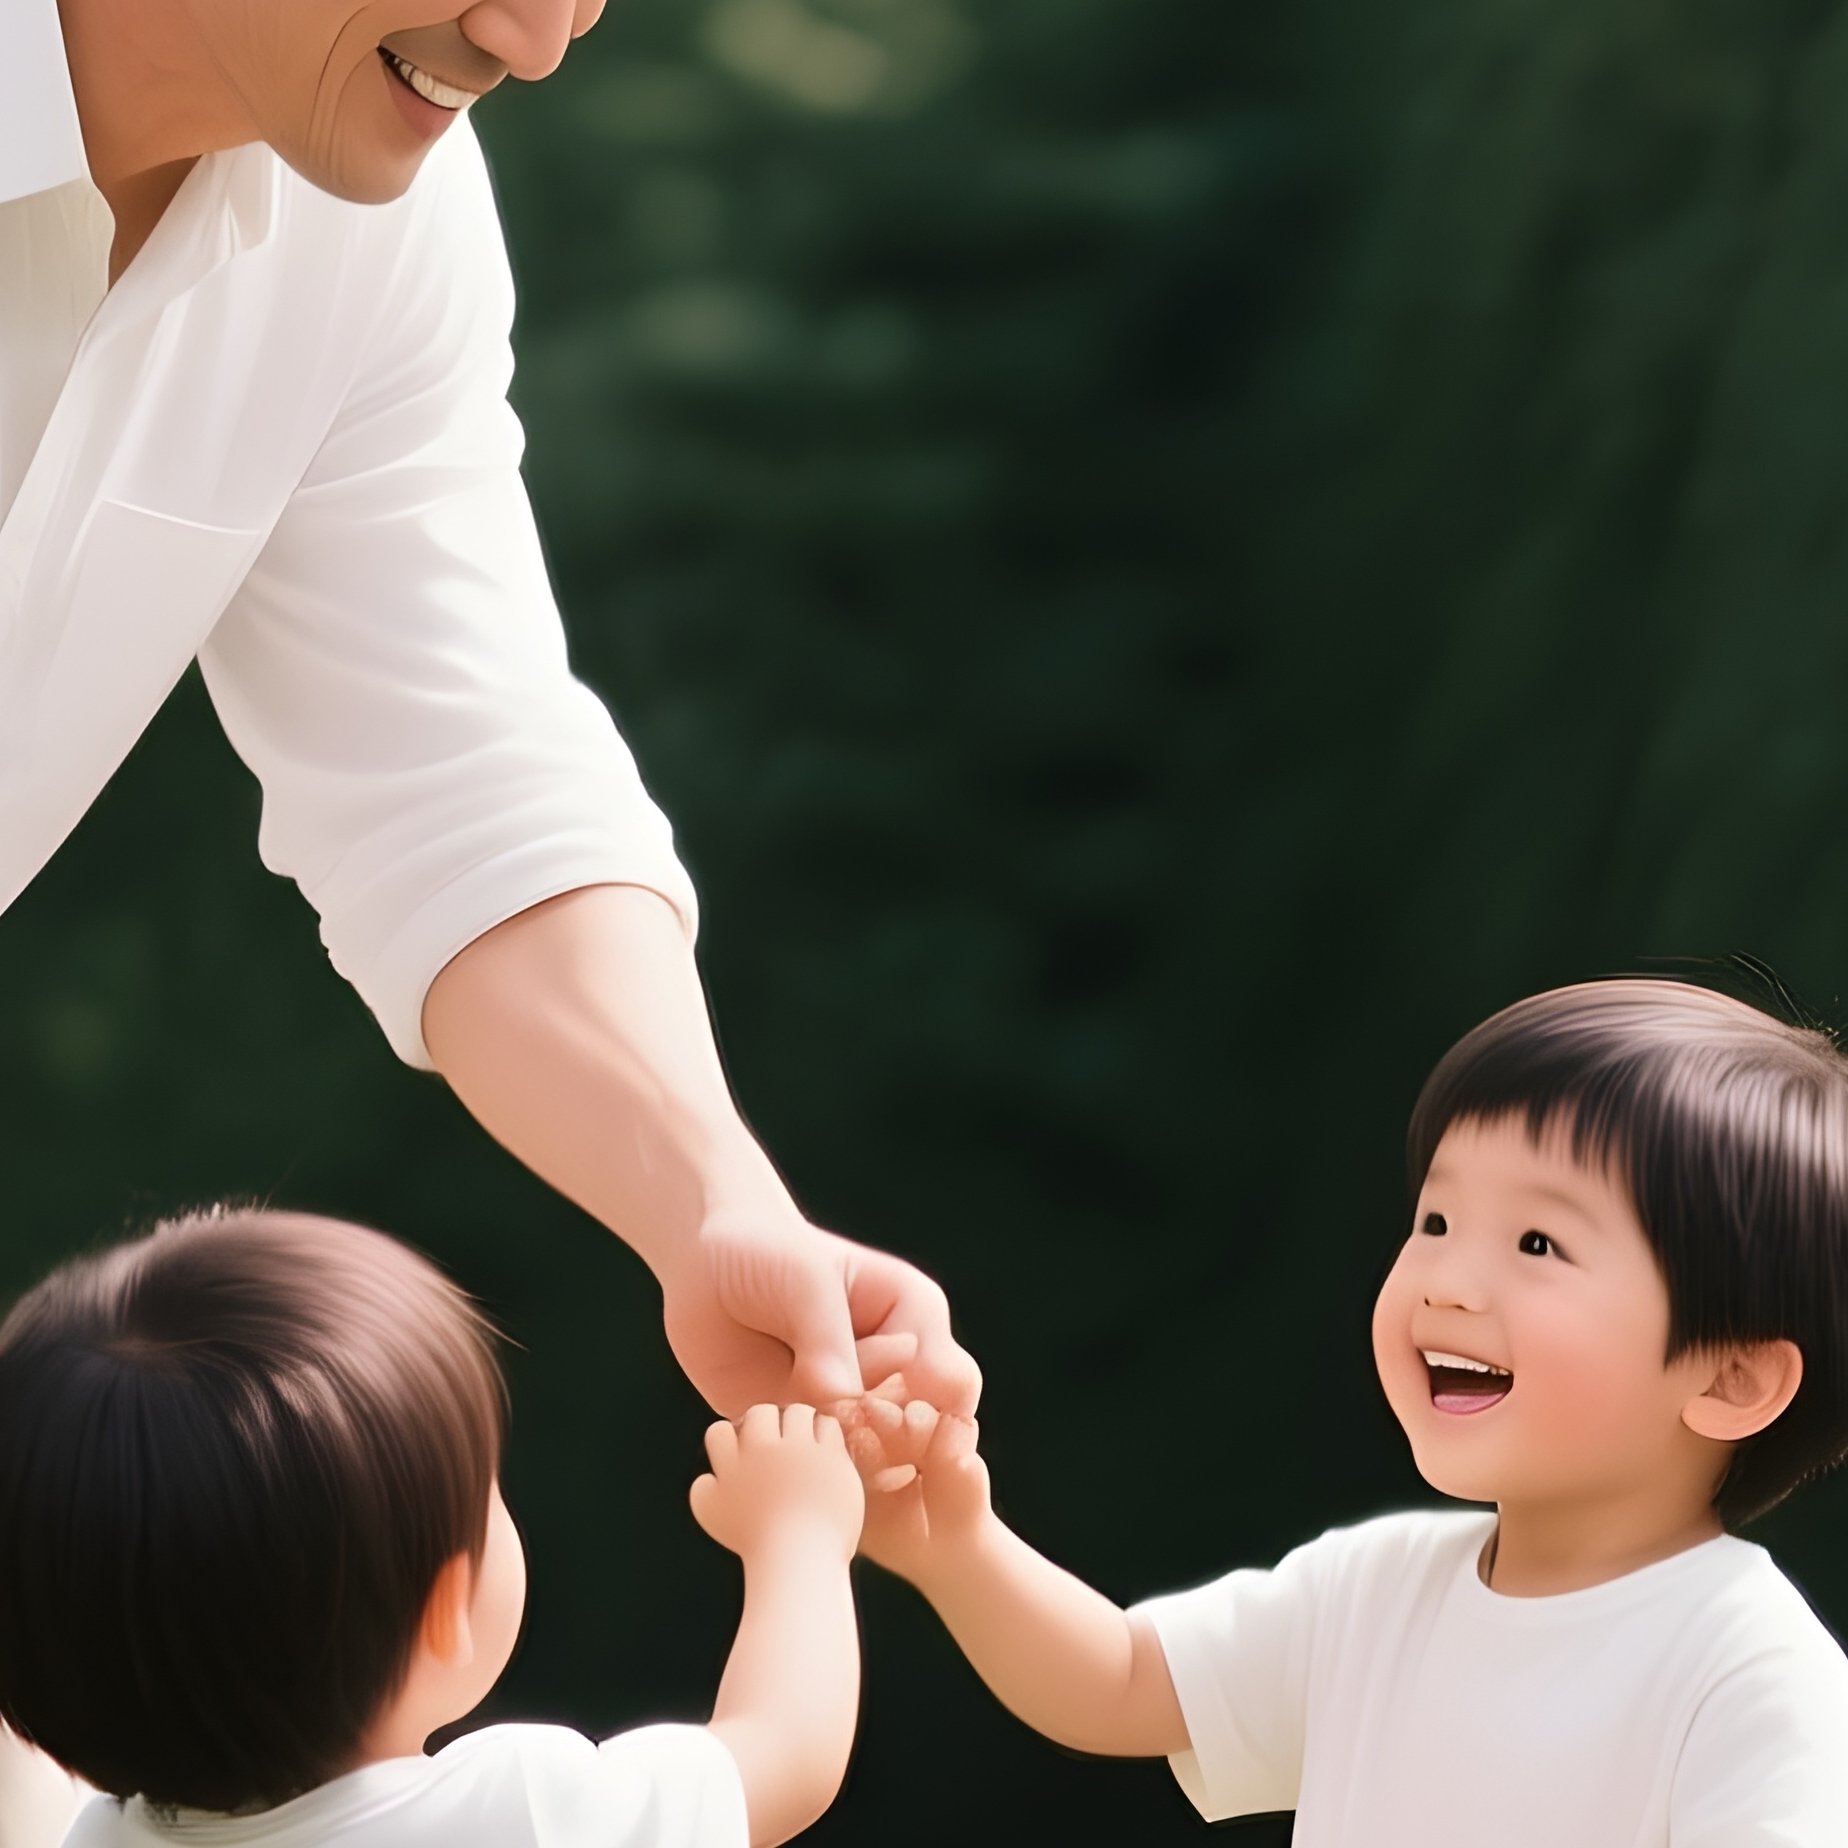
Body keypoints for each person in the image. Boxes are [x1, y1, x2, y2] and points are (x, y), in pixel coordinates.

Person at [840, 980, 1848, 1843]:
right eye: (1438, 1219)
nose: (1445, 1280)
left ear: (1730, 1381)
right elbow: (1123, 1683)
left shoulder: (1747, 1670)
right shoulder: (1375, 1589)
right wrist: (955, 1549)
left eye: (1538, 1243)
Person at [0, 1207, 866, 1848]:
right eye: (485, 1488)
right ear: (443, 1605)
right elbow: (787, 1754)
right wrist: (801, 1531)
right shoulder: (512, 1816)